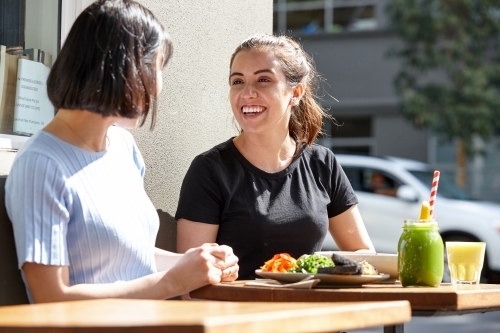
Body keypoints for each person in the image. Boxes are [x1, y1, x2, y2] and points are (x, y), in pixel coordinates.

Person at [5, 0, 238, 304]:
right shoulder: (41, 164)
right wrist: (173, 282)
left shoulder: (122, 147)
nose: (158, 87)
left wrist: (196, 264)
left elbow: (130, 259)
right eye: (157, 68)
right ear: (122, 67)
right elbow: (51, 296)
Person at [175, 33, 375, 280]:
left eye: (263, 80)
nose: (247, 93)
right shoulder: (210, 170)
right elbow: (188, 281)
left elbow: (362, 254)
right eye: (237, 82)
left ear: (296, 92)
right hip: (239, 315)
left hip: (310, 314)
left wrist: (324, 269)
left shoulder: (323, 164)